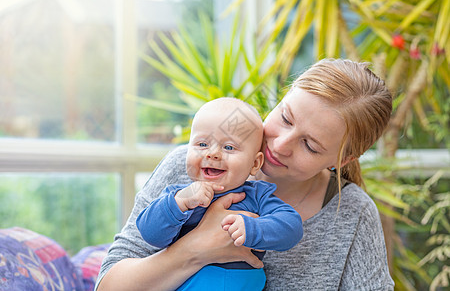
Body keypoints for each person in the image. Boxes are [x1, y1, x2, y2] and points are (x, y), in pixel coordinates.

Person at [96, 58, 395, 290]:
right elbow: (109, 285)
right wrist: (197, 248)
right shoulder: (193, 166)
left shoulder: (352, 213)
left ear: (343, 160)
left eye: (310, 145)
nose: (280, 144)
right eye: (286, 117)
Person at [135, 97, 303, 290]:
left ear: (255, 164)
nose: (212, 153)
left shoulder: (257, 196)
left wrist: (253, 228)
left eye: (229, 147)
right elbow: (150, 234)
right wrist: (178, 203)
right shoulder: (179, 195)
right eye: (202, 144)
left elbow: (292, 227)